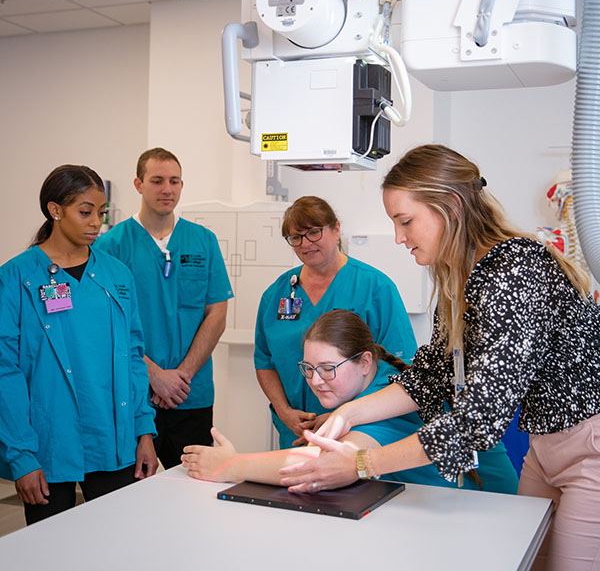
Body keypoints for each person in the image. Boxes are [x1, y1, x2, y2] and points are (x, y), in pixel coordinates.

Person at [279, 144, 600, 571]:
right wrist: (350, 414)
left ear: (450, 206)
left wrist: (361, 463)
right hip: (544, 449)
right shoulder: (463, 278)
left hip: (590, 448)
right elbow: (429, 376)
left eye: (405, 221)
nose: (398, 237)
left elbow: (477, 418)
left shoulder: (515, 271)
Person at [182, 309, 517, 493]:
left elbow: (318, 461)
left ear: (365, 363)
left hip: (488, 511)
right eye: (308, 368)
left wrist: (229, 465)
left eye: (328, 369)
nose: (315, 381)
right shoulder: (378, 379)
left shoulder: (387, 399)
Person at [0, 165, 157, 525]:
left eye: (101, 213)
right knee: (50, 554)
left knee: (120, 545)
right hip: (47, 443)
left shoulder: (116, 274)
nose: (96, 223)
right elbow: (4, 372)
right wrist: (22, 457)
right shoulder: (16, 278)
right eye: (85, 212)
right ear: (55, 211)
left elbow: (134, 358)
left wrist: (144, 431)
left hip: (114, 439)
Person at [95, 147, 233, 469]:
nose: (167, 189)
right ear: (138, 184)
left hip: (191, 395)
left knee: (194, 489)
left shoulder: (203, 241)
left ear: (182, 185)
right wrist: (155, 376)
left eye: (174, 181)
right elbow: (109, 326)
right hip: (136, 396)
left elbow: (217, 314)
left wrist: (180, 377)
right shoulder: (111, 246)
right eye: (157, 180)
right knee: (137, 493)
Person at [254, 195, 418, 449]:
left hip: (361, 429)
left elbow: (400, 365)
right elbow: (264, 361)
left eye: (314, 233)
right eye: (296, 237)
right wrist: (284, 411)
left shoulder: (374, 287)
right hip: (296, 429)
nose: (305, 243)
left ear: (336, 229)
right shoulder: (277, 294)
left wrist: (345, 414)